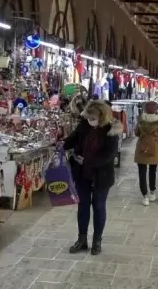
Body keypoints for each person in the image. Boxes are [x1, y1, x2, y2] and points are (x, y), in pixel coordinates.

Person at [63, 100, 122, 255]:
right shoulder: (84, 125)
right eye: (89, 117)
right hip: (82, 174)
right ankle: (82, 239)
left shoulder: (111, 130)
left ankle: (97, 240)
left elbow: (110, 155)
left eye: (94, 118)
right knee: (82, 206)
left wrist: (88, 161)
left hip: (101, 175)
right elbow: (72, 140)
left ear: (102, 117)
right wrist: (61, 145)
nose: (91, 121)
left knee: (98, 206)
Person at [134, 101, 158, 206]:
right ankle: (152, 192)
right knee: (153, 171)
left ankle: (145, 196)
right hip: (155, 149)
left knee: (142, 173)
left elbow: (136, 133)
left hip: (142, 148)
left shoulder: (141, 120)